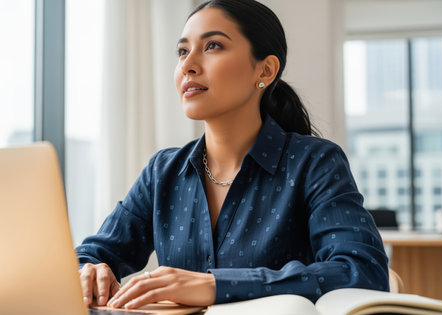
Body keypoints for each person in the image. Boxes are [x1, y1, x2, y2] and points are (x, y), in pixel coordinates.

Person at [76, 0, 389, 310]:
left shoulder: (315, 163)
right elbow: (91, 255)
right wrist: (88, 270)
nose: (188, 65)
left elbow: (362, 271)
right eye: (183, 51)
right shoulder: (163, 172)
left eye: (212, 46)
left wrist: (216, 285)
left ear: (265, 70)